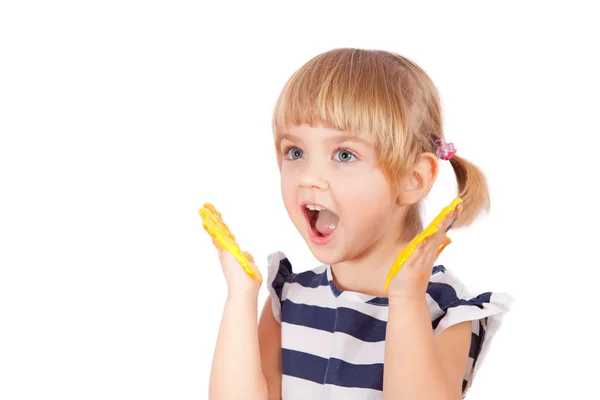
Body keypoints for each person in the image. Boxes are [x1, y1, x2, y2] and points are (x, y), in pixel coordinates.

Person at [208, 48, 513, 400]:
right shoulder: (290, 298)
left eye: (344, 154)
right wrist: (240, 296)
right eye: (295, 152)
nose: (309, 176)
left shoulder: (447, 311)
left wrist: (406, 298)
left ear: (412, 179)